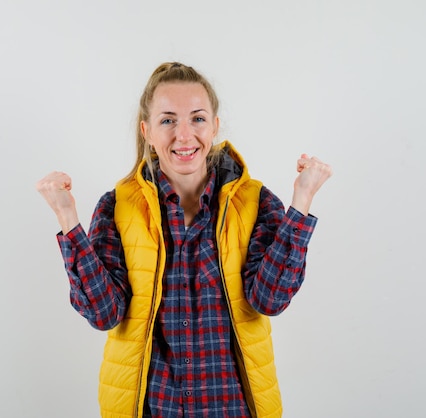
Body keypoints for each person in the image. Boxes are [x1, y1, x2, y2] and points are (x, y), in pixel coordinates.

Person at [36, 62, 332, 418]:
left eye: (197, 118)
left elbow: (269, 300)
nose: (184, 135)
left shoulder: (255, 202)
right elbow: (104, 314)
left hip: (233, 408)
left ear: (215, 126)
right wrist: (68, 219)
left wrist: (300, 203)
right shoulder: (117, 207)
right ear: (147, 130)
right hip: (152, 408)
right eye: (168, 120)